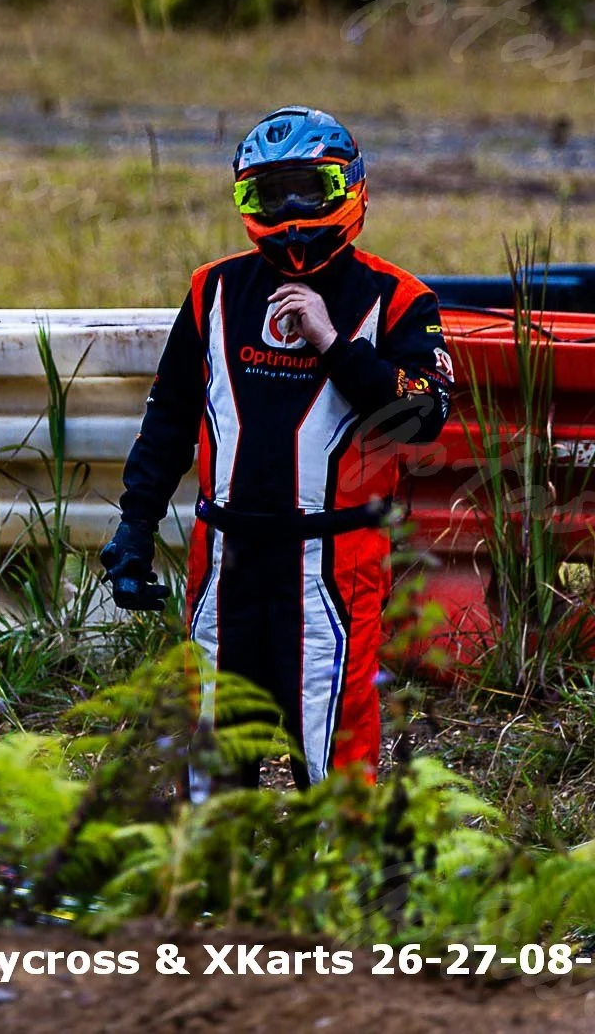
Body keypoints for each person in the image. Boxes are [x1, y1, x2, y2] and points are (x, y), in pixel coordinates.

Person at [100, 106, 454, 788]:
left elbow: (424, 415)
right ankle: (212, 886)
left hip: (333, 559)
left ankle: (340, 888)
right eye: (270, 192)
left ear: (348, 188)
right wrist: (135, 522)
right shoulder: (214, 289)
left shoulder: (401, 299)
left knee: (333, 753)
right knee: (212, 750)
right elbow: (170, 413)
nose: (292, 211)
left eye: (309, 188)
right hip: (224, 554)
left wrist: (334, 344)